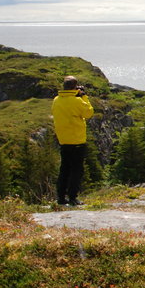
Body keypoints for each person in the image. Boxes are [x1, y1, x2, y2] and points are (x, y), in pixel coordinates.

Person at [51, 76, 94, 206]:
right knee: (76, 170)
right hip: (77, 140)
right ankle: (73, 197)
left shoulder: (56, 100)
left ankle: (60, 197)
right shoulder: (77, 101)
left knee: (64, 169)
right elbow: (88, 113)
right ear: (75, 87)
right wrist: (83, 96)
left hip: (63, 140)